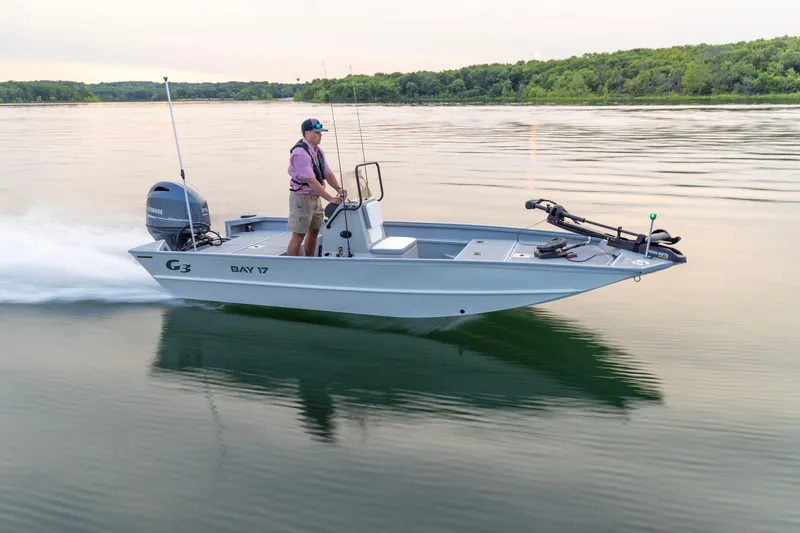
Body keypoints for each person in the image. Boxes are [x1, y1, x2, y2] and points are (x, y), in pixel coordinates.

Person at [286, 118, 343, 256]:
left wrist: (338, 189)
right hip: (302, 197)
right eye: (316, 132)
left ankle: (309, 260)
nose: (320, 135)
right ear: (307, 134)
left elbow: (327, 173)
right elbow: (311, 181)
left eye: (321, 132)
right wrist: (330, 198)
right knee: (299, 234)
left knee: (315, 231)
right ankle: (291, 266)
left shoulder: (318, 151)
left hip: (316, 196)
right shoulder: (300, 153)